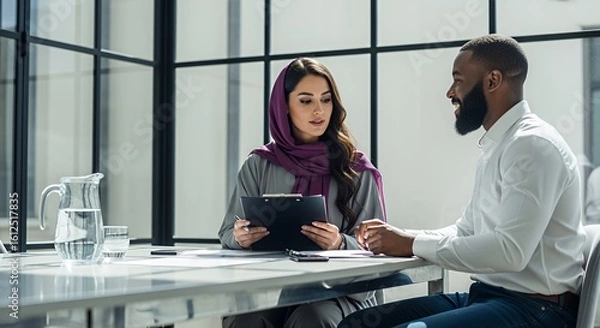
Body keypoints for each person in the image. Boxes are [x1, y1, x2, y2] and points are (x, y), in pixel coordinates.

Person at [338, 34, 585, 328]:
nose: (450, 92)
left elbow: (511, 253)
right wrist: (398, 237)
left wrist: (411, 243)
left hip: (536, 309)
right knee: (357, 324)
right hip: (489, 296)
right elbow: (466, 230)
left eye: (458, 80)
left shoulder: (532, 145)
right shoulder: (500, 145)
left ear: (492, 81)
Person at [218, 57, 387, 328]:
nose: (319, 110)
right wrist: (240, 237)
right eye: (306, 101)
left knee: (312, 318)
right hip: (273, 287)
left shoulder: (356, 168)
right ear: (284, 106)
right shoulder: (259, 164)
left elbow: (377, 246)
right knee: (245, 320)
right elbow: (227, 232)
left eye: (326, 99)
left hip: (341, 292)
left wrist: (339, 243)